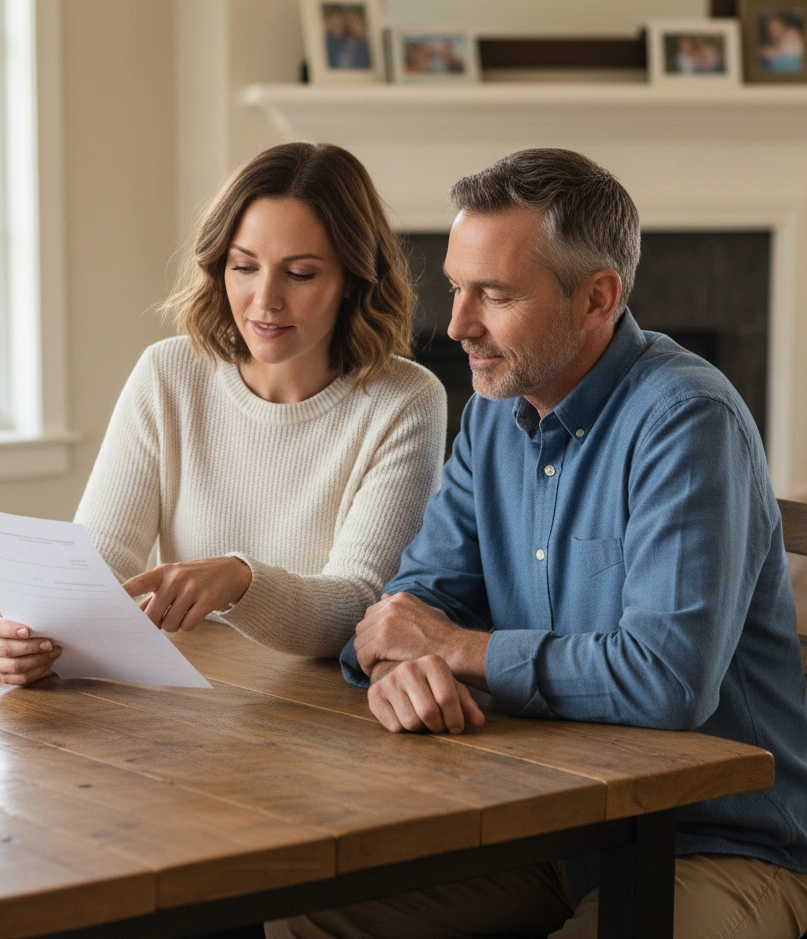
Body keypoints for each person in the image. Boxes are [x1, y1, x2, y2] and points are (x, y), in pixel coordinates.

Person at [268, 149, 807, 938]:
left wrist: (457, 650)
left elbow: (667, 681)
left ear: (598, 297)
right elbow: (408, 609)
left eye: (495, 295)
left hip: (719, 844)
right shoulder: (493, 413)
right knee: (304, 917)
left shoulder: (687, 421)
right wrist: (398, 668)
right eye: (457, 287)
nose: (456, 325)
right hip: (546, 824)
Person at [0, 141, 446, 685]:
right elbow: (102, 557)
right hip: (182, 695)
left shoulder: (407, 399)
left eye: (300, 274)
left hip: (318, 709)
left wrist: (241, 580)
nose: (264, 300)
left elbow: (359, 606)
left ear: (352, 280)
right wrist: (33, 629)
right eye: (244, 267)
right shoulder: (169, 373)